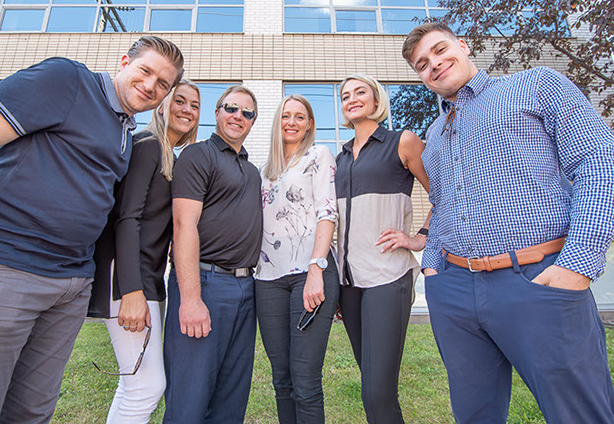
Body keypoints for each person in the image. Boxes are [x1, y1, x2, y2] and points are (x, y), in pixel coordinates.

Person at [0, 36, 184, 423]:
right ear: (124, 62)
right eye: (145, 71)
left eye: (163, 83)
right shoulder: (67, 80)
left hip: (69, 286)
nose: (151, 85)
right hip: (1, 268)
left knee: (31, 411)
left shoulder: (125, 131)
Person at [402, 22, 614, 423]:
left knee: (580, 413)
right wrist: (433, 269)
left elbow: (598, 161)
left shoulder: (535, 85)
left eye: (440, 50)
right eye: (422, 64)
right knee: (474, 414)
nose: (434, 64)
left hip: (538, 278)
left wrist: (579, 262)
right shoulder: (434, 134)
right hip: (455, 289)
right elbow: (442, 203)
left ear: (463, 46)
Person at [89, 79, 200, 423]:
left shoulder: (169, 156)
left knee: (133, 384)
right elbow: (126, 218)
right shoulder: (148, 146)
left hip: (149, 278)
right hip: (127, 278)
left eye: (194, 105)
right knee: (147, 387)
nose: (187, 110)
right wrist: (131, 290)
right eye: (180, 100)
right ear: (162, 105)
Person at [163, 85, 263, 423]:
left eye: (247, 113)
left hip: (246, 288)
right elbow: (183, 225)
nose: (238, 116)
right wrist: (191, 299)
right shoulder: (198, 155)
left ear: (253, 122)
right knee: (189, 398)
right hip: (205, 283)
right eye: (231, 108)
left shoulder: (252, 171)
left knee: (231, 399)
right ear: (217, 112)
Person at [335, 74, 430, 423]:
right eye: (345, 95)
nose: (352, 98)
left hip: (388, 277)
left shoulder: (402, 142)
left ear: (377, 100)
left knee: (377, 391)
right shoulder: (340, 158)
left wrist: (419, 238)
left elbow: (444, 192)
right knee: (373, 385)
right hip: (349, 284)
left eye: (360, 92)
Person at [255, 94, 339, 423]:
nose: (291, 122)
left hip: (309, 273)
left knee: (305, 381)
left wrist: (316, 270)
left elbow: (327, 212)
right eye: (285, 115)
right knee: (282, 379)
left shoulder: (319, 155)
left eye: (299, 117)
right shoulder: (265, 169)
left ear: (309, 124)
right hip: (267, 279)